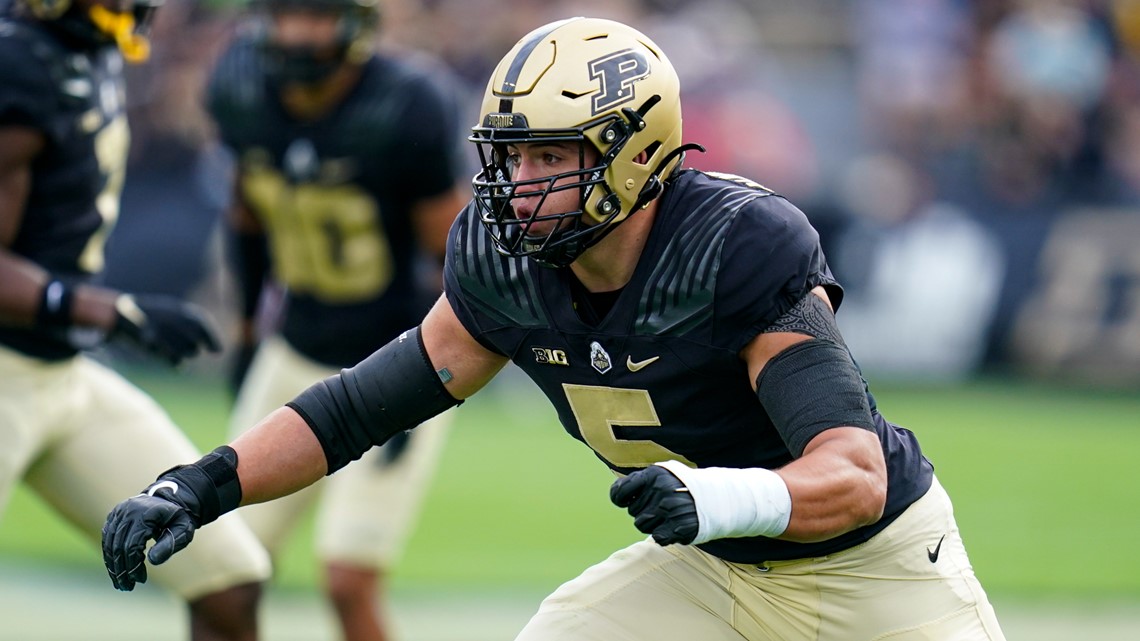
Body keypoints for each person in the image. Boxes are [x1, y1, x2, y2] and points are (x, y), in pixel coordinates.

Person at [102, 16, 1008, 641]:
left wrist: (718, 499)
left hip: (873, 571)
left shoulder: (733, 247)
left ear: (637, 149)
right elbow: (353, 410)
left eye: (551, 157)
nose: (518, 184)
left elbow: (852, 474)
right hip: (716, 570)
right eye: (511, 156)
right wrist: (201, 482)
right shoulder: (505, 264)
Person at [0, 0, 272, 640]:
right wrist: (109, 310)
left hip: (58, 373)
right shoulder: (17, 63)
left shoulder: (83, 47)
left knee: (229, 580)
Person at [204, 0, 468, 639]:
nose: (297, 32)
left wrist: (417, 384)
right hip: (294, 348)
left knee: (348, 582)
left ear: (355, 23)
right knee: (222, 570)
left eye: (317, 16)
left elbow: (451, 258)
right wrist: (245, 331)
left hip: (391, 357)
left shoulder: (407, 104)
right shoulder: (239, 84)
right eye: (287, 14)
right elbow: (247, 218)